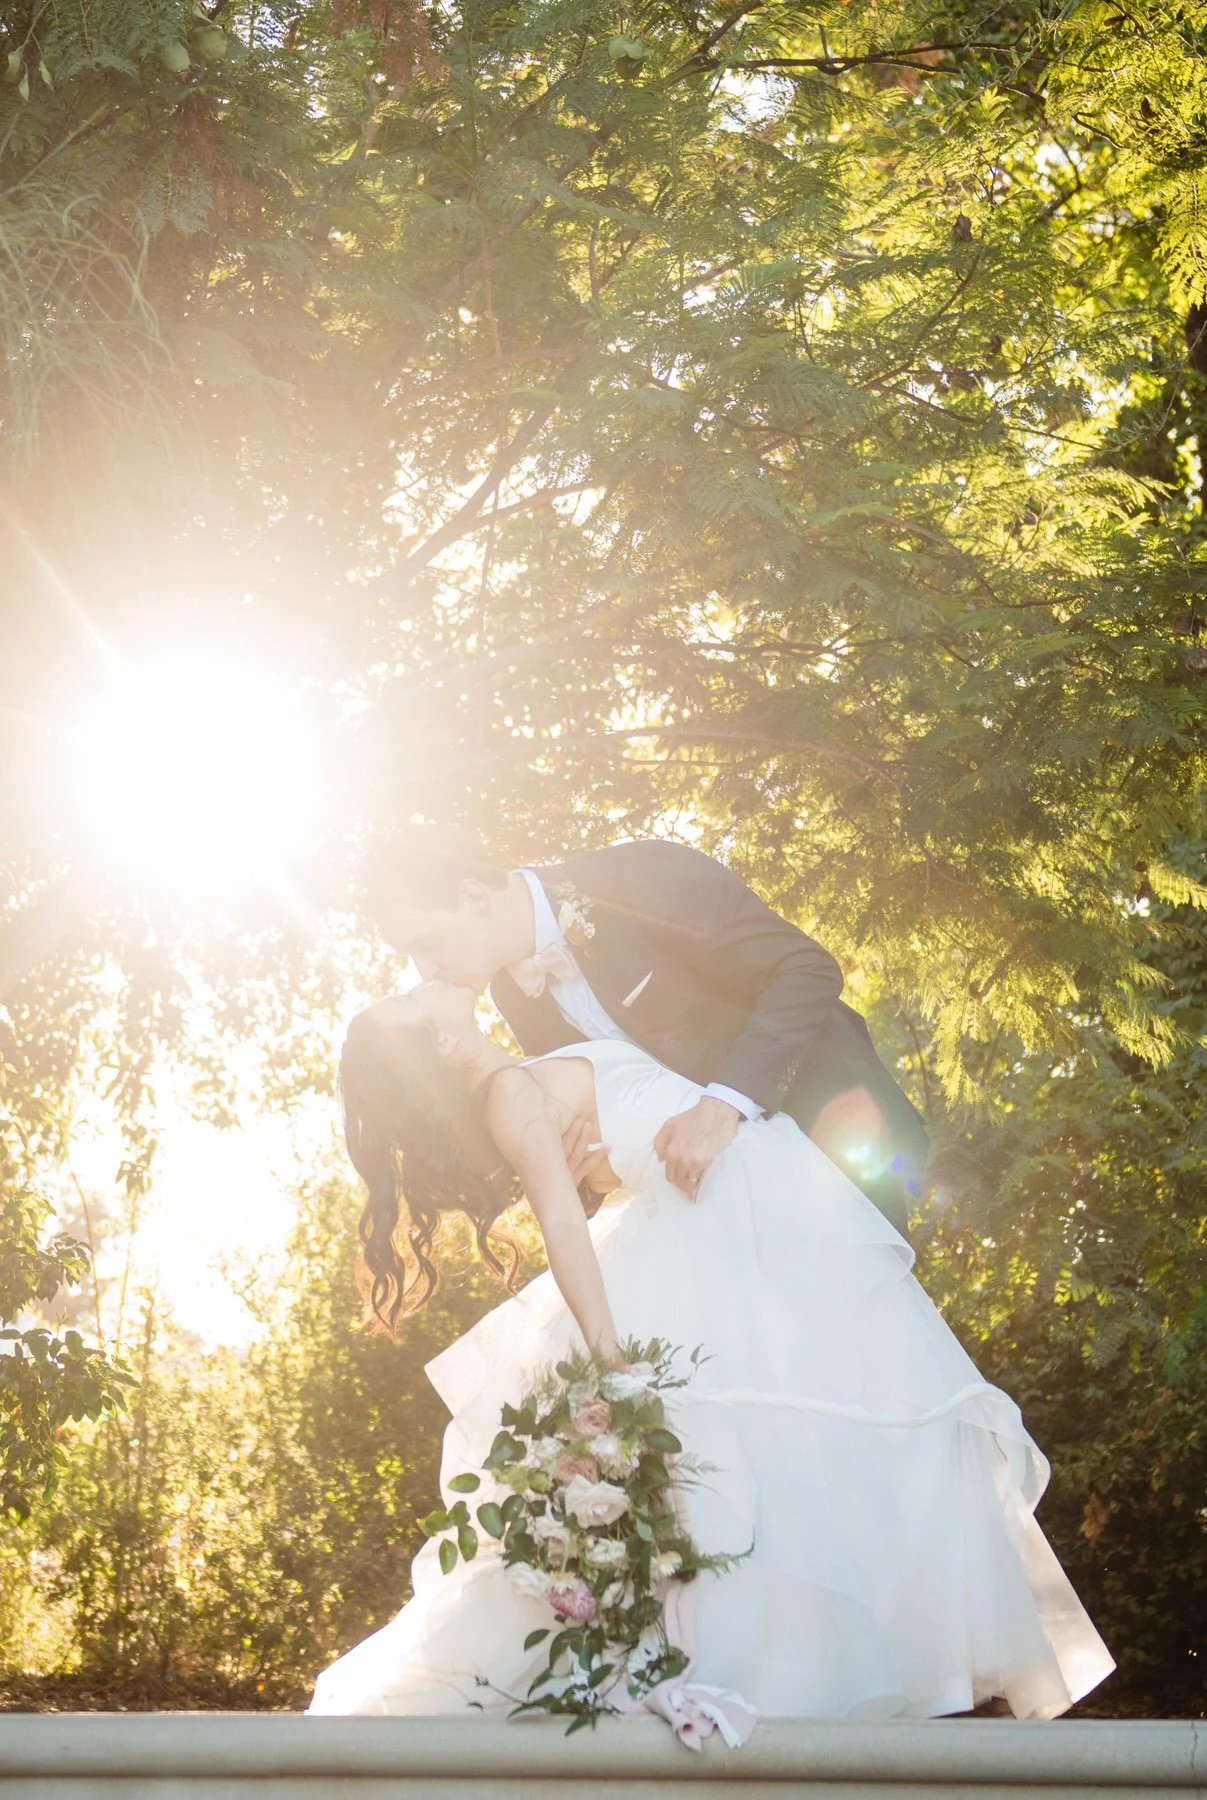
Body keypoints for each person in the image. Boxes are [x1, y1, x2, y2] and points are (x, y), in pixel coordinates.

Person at [307, 980, 1114, 1727]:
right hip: (711, 1236)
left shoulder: (524, 1075)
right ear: (440, 1046)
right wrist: (607, 1355)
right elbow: (559, 1224)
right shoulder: (510, 1094)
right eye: (415, 1007)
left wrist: (607, 1155)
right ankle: (760, 1681)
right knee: (763, 1455)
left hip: (747, 1213)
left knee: (806, 1450)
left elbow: (611, 1148)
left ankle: (800, 1677)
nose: (426, 985)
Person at [359, 828, 930, 1236]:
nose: (425, 970)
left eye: (424, 943)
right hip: (733, 1215)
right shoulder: (515, 994)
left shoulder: (638, 877)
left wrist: (721, 1104)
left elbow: (805, 970)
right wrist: (587, 1178)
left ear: (473, 897)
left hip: (835, 1140)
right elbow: (611, 1111)